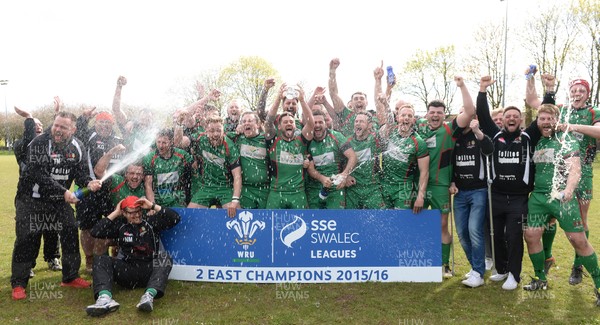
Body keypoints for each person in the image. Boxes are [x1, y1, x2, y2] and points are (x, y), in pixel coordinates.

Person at [11, 111, 102, 300]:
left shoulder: (78, 146)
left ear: (73, 129)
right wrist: (64, 192)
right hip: (30, 198)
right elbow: (38, 175)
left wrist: (89, 183)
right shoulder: (39, 143)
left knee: (69, 228)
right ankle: (19, 283)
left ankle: (70, 277)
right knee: (28, 236)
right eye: (56, 125)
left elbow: (82, 173)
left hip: (58, 200)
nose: (58, 130)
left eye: (63, 127)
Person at [476, 73, 552, 290]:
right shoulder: (494, 134)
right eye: (508, 115)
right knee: (496, 235)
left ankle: (514, 275)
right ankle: (501, 269)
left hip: (519, 199)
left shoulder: (528, 136)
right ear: (504, 119)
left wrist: (548, 91)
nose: (511, 118)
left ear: (520, 120)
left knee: (513, 235)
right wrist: (483, 89)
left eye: (515, 116)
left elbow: (544, 114)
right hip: (496, 196)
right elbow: (482, 113)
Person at [522, 104, 600, 307]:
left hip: (561, 198)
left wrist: (569, 190)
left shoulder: (566, 140)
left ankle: (599, 285)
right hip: (538, 198)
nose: (546, 122)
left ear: (557, 120)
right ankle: (540, 279)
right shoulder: (537, 142)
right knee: (531, 235)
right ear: (537, 121)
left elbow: (575, 169)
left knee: (578, 240)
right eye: (542, 119)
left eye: (550, 118)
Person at [414, 77, 472, 278]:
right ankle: (419, 261)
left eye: (439, 113)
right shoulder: (418, 128)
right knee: (417, 224)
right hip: (417, 184)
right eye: (432, 112)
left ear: (444, 115)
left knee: (441, 225)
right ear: (426, 114)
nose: (435, 116)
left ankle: (443, 265)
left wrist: (462, 86)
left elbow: (470, 112)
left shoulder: (449, 129)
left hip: (440, 185)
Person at [86, 196, 180, 316]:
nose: (136, 215)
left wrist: (152, 205)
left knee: (165, 258)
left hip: (149, 272)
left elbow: (175, 218)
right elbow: (96, 231)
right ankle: (104, 299)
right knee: (100, 260)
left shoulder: (150, 222)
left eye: (138, 211)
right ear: (124, 213)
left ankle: (148, 296)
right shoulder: (120, 225)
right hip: (127, 271)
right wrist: (115, 213)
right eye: (131, 213)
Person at [13, 104, 62, 275]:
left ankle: (52, 257)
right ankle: (28, 264)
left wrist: (57, 113)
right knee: (30, 232)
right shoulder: (22, 144)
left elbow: (54, 132)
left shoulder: (50, 145)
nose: (38, 126)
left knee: (51, 228)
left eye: (40, 124)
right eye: (34, 124)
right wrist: (29, 116)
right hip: (28, 195)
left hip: (48, 194)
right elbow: (31, 139)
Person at [75, 108, 123, 272]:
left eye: (107, 122)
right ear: (96, 123)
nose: (104, 125)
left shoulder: (118, 139)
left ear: (112, 124)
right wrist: (83, 118)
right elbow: (76, 131)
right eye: (101, 122)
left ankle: (115, 258)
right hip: (89, 190)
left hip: (112, 192)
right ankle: (90, 261)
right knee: (88, 228)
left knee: (115, 224)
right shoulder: (88, 137)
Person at [449, 118, 494, 288]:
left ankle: (478, 273)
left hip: (479, 191)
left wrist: (477, 131)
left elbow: (489, 149)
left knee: (474, 230)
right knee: (461, 233)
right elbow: (451, 163)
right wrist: (452, 182)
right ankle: (476, 267)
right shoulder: (455, 137)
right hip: (460, 192)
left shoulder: (479, 134)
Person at [264, 83, 314, 209]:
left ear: (295, 125)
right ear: (279, 126)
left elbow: (311, 123)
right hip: (276, 193)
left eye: (291, 122)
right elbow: (269, 121)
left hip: (298, 193)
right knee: (272, 226)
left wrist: (302, 100)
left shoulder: (301, 141)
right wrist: (278, 98)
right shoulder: (273, 140)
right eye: (285, 122)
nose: (289, 123)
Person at [376, 96, 429, 213]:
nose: (406, 118)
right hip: (384, 184)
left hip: (403, 188)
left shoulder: (418, 142)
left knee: (400, 222)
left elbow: (424, 172)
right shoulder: (390, 131)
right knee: (384, 221)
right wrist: (385, 104)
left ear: (413, 120)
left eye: (410, 116)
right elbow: (388, 120)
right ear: (397, 117)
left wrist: (420, 197)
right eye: (403, 115)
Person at [187, 116, 242, 217]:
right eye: (212, 131)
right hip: (206, 187)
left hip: (225, 188)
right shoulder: (200, 139)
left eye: (218, 130)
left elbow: (237, 176)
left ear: (223, 130)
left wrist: (235, 200)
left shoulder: (230, 147)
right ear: (206, 131)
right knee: (189, 215)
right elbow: (183, 143)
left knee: (237, 214)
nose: (216, 134)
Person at [306, 109, 357, 209]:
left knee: (336, 220)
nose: (317, 125)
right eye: (314, 122)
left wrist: (344, 174)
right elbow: (310, 169)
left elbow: (353, 157)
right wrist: (322, 179)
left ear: (325, 124)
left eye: (320, 122)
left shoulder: (336, 136)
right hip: (314, 187)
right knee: (314, 220)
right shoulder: (307, 140)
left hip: (336, 187)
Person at [345, 111, 386, 209]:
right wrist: (346, 176)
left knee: (381, 219)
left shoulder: (375, 138)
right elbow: (340, 162)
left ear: (369, 125)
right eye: (356, 121)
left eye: (361, 122)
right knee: (350, 220)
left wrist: (385, 104)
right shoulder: (347, 141)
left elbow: (389, 126)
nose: (358, 123)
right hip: (353, 189)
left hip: (372, 188)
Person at [143, 129, 193, 208]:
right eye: (158, 142)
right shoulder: (149, 159)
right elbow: (148, 184)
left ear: (171, 142)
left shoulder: (182, 155)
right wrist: (153, 205)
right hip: (158, 199)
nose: (160, 146)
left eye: (164, 143)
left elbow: (195, 168)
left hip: (178, 199)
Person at [329, 58, 377, 137]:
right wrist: (332, 71)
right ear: (351, 102)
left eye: (362, 98)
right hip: (349, 148)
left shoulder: (373, 116)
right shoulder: (346, 114)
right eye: (356, 99)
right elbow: (333, 94)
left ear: (367, 102)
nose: (359, 101)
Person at [231, 111, 270, 209]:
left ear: (257, 124)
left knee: (265, 220)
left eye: (250, 121)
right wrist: (236, 131)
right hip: (246, 190)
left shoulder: (266, 140)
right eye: (243, 121)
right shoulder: (238, 139)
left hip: (265, 189)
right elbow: (222, 136)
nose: (246, 123)